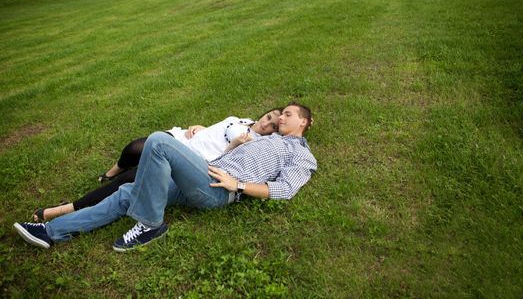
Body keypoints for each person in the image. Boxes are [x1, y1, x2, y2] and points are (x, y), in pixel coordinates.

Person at [14, 102, 316, 252]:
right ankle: (51, 231)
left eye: (287, 115)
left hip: (220, 190)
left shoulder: (300, 153)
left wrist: (238, 185)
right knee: (126, 193)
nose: (279, 119)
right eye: (279, 114)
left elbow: (285, 188)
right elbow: (230, 137)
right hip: (201, 174)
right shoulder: (260, 136)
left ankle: (150, 224)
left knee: (158, 141)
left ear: (304, 122)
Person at [32, 108, 283, 222]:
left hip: (191, 158)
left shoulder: (255, 142)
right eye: (268, 116)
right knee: (134, 148)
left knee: (131, 178)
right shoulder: (244, 120)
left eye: (273, 125)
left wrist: (236, 144)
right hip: (187, 139)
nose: (266, 123)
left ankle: (67, 209)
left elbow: (225, 159)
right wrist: (201, 127)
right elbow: (221, 130)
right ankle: (109, 174)